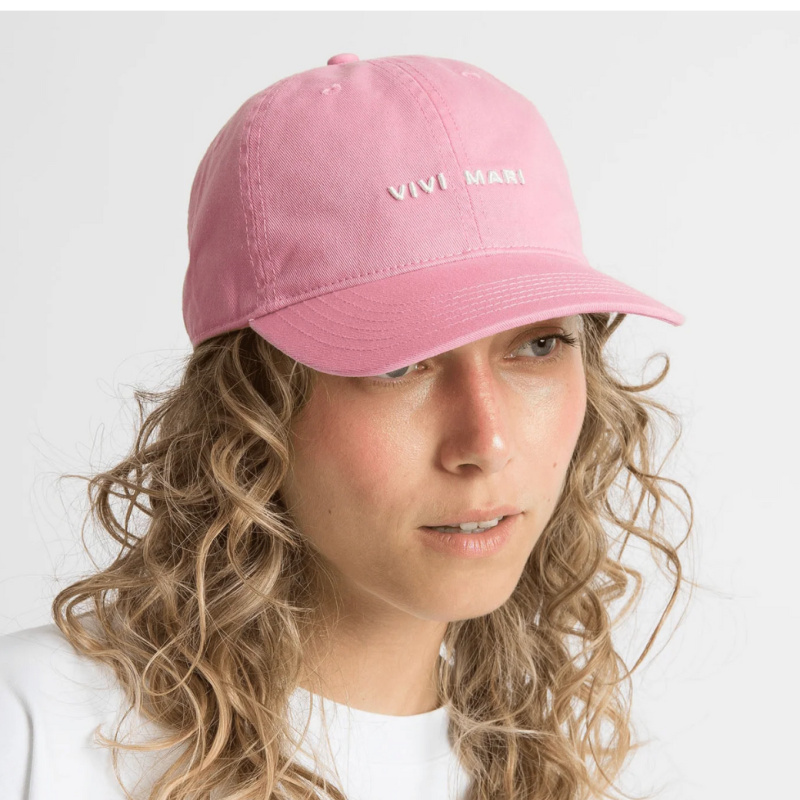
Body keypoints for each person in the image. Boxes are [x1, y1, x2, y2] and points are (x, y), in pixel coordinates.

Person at [0, 53, 693, 800]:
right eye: (400, 365)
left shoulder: (577, 772)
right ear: (248, 402)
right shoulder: (34, 730)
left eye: (539, 345)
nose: (487, 443)